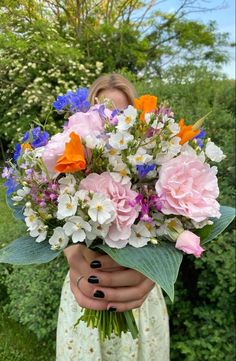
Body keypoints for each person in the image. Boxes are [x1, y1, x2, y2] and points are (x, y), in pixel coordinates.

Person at [56, 73, 170, 361]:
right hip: (85, 283)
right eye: (101, 111)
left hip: (140, 290)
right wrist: (74, 258)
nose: (109, 122)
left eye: (118, 113)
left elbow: (164, 225)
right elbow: (60, 222)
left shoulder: (147, 159)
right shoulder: (69, 159)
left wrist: (155, 266)